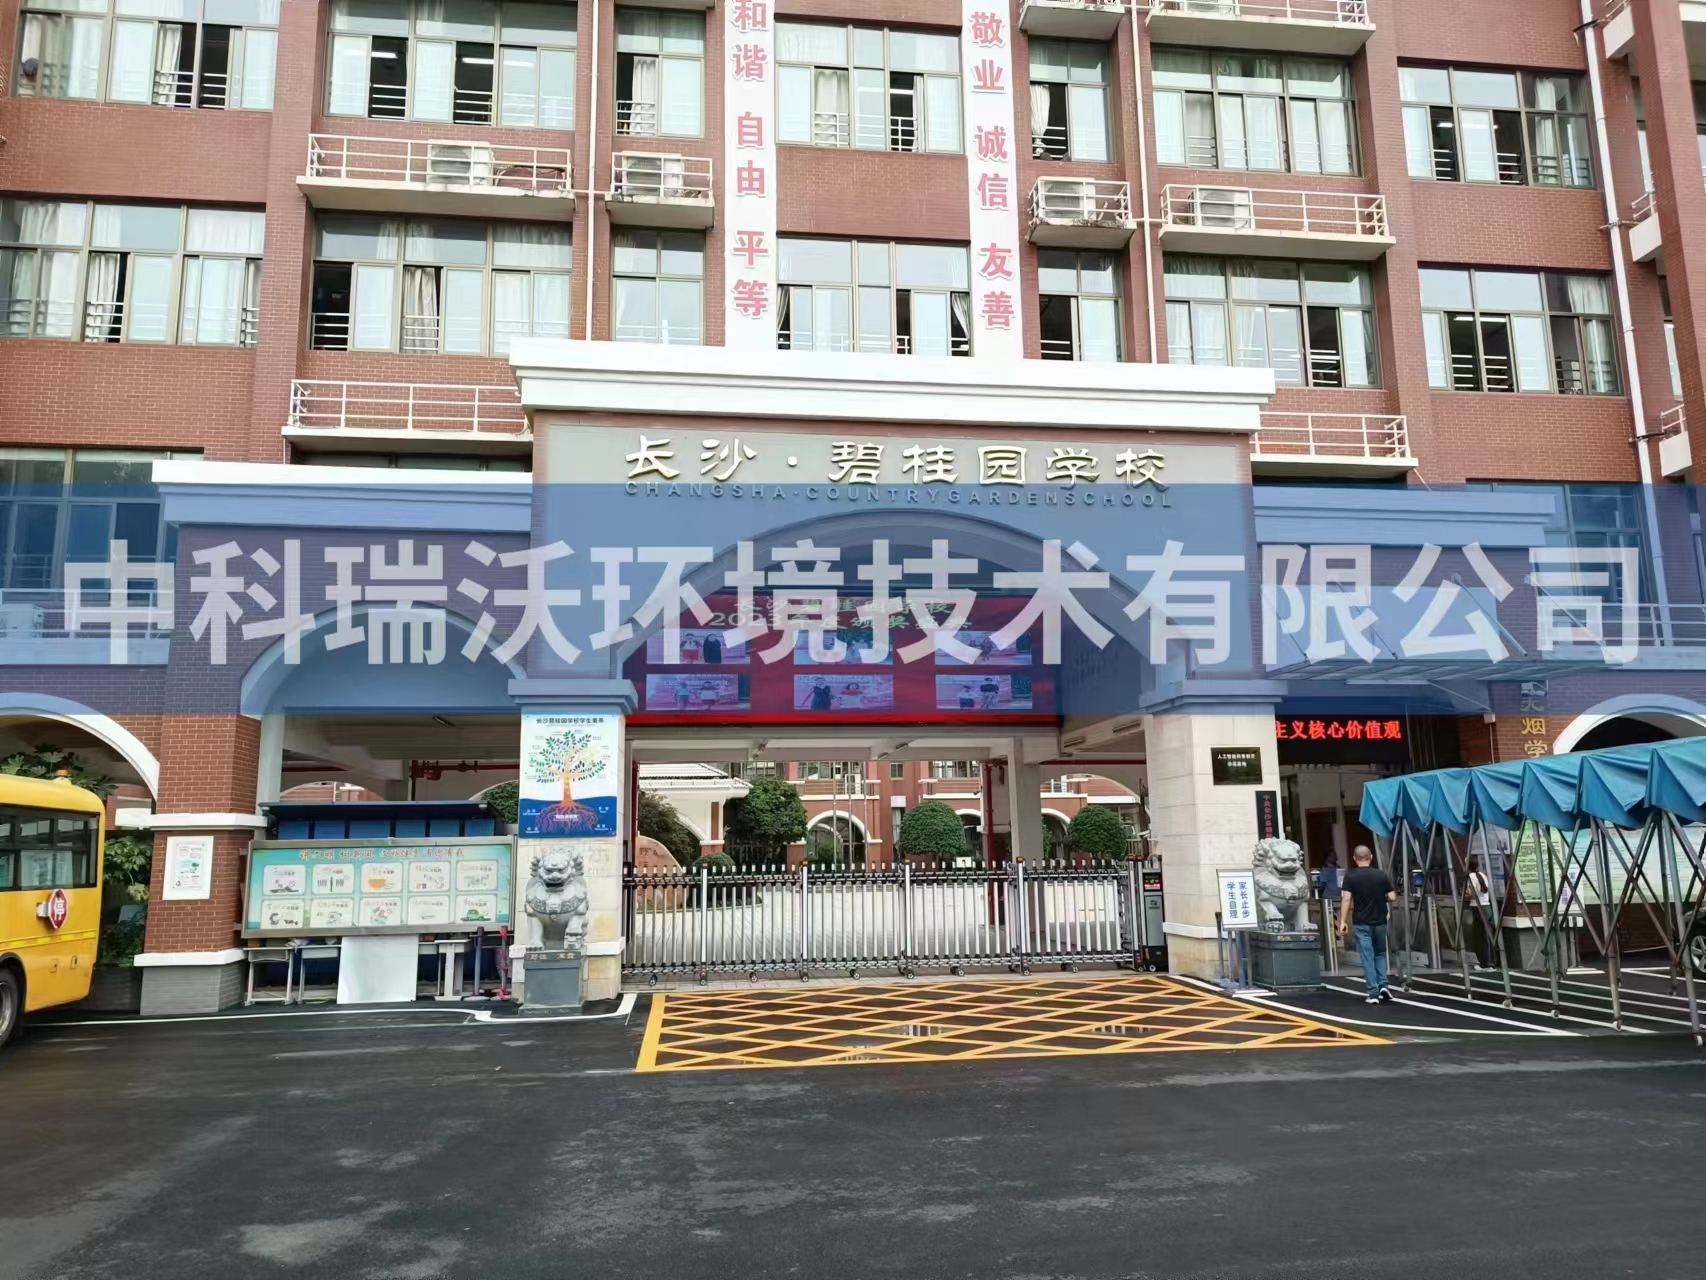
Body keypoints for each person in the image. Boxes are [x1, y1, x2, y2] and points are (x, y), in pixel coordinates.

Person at [1338, 844, 1397, 1004]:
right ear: (1371, 857)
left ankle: (1373, 993)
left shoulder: (1350, 876)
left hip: (1361, 922)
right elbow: (1392, 897)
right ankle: (1383, 985)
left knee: (1367, 956)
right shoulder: (1381, 875)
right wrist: (1380, 897)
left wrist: (1342, 921)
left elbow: (1346, 899)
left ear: (1354, 859)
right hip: (1380, 921)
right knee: (1380, 954)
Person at [1462, 854, 1494, 969]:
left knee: (1479, 937)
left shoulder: (1471, 877)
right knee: (1486, 936)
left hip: (1478, 908)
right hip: (1487, 907)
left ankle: (1485, 963)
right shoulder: (1482, 875)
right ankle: (1490, 961)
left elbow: (1473, 895)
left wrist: (1465, 894)